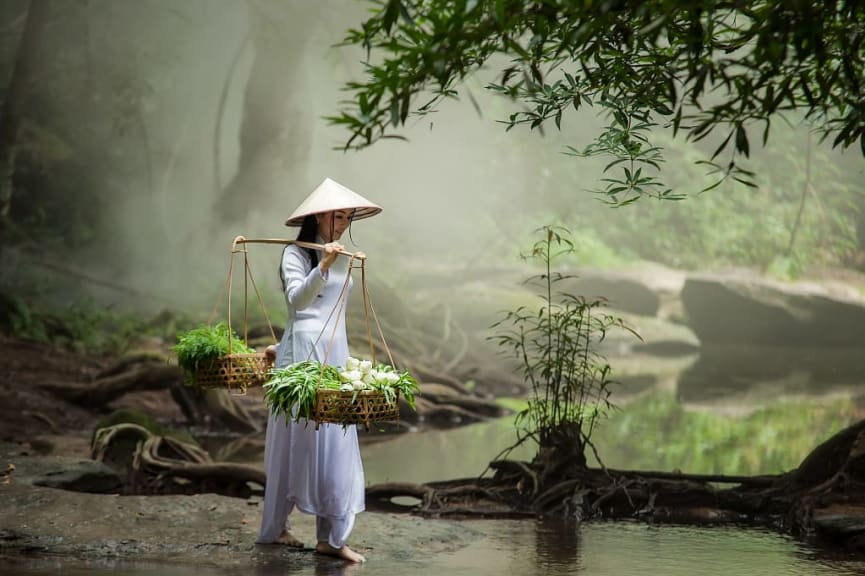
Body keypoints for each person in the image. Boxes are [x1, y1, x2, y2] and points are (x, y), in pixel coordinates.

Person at [256, 177, 382, 563]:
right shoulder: (294, 254)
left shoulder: (341, 255)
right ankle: (276, 527)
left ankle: (330, 537)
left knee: (334, 439)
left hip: (333, 350)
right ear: (318, 218)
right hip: (301, 360)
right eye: (337, 216)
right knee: (295, 440)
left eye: (347, 217)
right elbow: (299, 301)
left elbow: (331, 311)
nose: (343, 223)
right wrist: (322, 264)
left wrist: (333, 260)